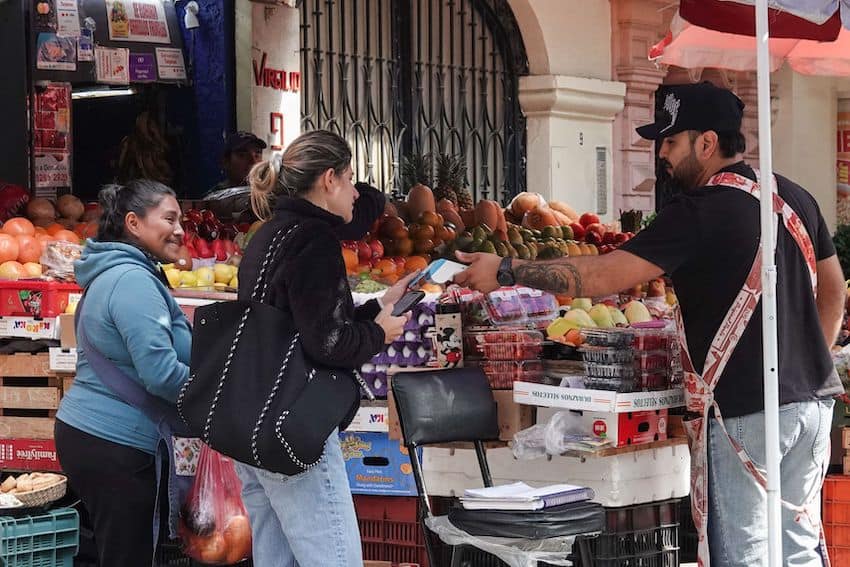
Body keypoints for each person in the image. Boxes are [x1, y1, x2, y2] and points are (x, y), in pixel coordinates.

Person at [455, 81, 845, 567]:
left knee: (747, 554)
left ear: (707, 143)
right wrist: (810, 358)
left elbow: (602, 276)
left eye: (671, 141)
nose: (661, 153)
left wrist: (506, 270)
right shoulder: (792, 196)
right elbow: (834, 289)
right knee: (797, 546)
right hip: (811, 407)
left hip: (748, 413)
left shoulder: (698, 211)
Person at [235, 129, 412, 566]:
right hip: (292, 427)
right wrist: (380, 333)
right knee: (335, 558)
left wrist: (378, 308)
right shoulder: (314, 240)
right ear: (329, 179)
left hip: (250, 422)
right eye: (351, 178)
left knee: (276, 559)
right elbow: (328, 342)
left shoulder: (269, 234)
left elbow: (300, 323)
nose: (356, 193)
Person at [55, 180, 191, 566]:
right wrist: (219, 398)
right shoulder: (132, 281)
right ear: (133, 222)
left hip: (100, 439)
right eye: (169, 218)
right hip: (115, 445)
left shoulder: (121, 273)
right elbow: (161, 373)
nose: (180, 229)